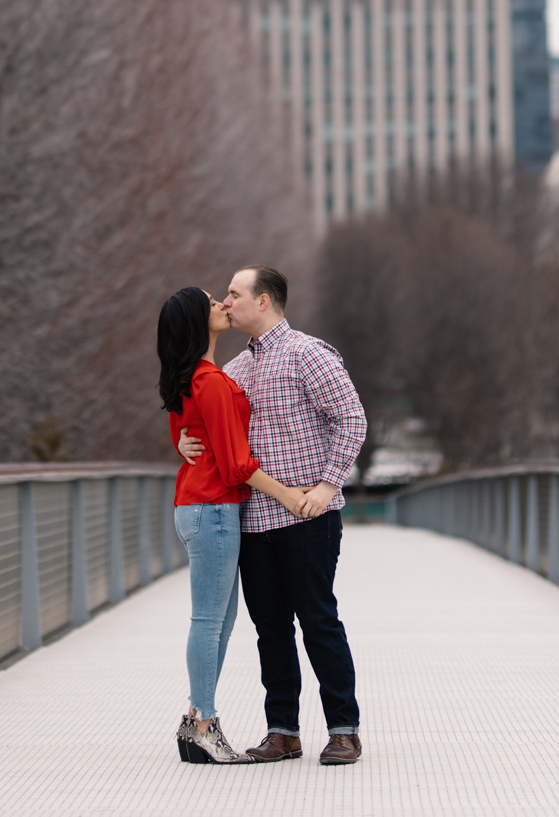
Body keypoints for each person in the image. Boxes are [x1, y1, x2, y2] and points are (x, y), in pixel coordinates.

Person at [178, 265, 367, 766]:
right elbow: (206, 425)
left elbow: (352, 418)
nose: (226, 301)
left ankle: (343, 729)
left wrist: (328, 485)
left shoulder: (308, 354)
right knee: (270, 629)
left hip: (307, 515)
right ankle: (283, 730)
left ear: (263, 301)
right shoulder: (234, 370)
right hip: (253, 521)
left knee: (318, 620)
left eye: (235, 294)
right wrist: (181, 439)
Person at [157, 286, 309, 766]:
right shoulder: (213, 382)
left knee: (219, 620)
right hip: (215, 509)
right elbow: (238, 464)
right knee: (210, 620)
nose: (222, 305)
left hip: (196, 507)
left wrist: (182, 444)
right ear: (197, 323)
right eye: (212, 304)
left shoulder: (189, 380)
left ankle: (195, 719)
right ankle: (204, 723)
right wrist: (288, 496)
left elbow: (183, 434)